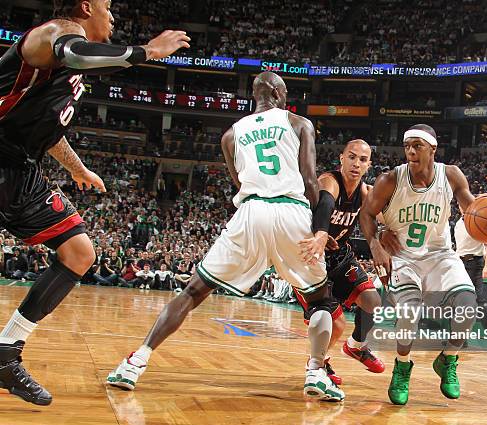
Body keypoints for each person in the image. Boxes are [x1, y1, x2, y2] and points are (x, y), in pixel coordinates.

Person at [107, 72, 344, 402]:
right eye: (286, 91)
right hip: (292, 211)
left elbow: (238, 181)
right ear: (278, 92)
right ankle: (316, 371)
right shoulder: (299, 123)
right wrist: (318, 228)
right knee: (320, 299)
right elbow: (309, 181)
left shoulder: (231, 134)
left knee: (193, 290)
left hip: (251, 211)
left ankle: (134, 362)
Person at [0, 0, 189, 405]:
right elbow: (75, 52)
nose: (114, 16)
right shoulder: (51, 35)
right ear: (85, 6)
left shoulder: (62, 70)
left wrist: (78, 169)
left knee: (78, 251)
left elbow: (47, 130)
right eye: (107, 7)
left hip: (20, 167)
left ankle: (6, 352)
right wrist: (147, 52)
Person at [361, 124, 487, 405]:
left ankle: (448, 359)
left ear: (433, 149)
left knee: (468, 306)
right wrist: (376, 242)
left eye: (418, 146)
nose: (411, 152)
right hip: (402, 257)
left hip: (440, 255)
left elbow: (472, 210)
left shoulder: (450, 175)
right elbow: (367, 214)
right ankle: (403, 366)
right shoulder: (390, 179)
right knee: (409, 313)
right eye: (407, 146)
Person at [297, 139, 385, 385]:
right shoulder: (329, 180)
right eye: (352, 157)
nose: (356, 163)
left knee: (373, 302)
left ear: (369, 165)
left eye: (363, 160)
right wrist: (321, 234)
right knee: (336, 323)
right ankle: (318, 362)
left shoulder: (365, 192)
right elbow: (325, 204)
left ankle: (356, 346)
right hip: (311, 256)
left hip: (339, 255)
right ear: (341, 158)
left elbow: (379, 218)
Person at [454, 214, 487, 351]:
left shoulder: (477, 221)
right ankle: (462, 338)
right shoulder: (458, 223)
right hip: (460, 263)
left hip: (476, 263)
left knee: (479, 303)